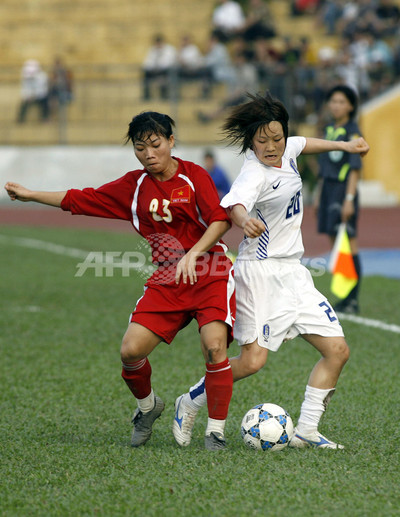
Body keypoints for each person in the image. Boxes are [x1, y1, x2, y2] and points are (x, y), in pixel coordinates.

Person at [4, 111, 236, 451]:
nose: (148, 154)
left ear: (171, 141)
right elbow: (81, 199)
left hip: (209, 271)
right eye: (140, 148)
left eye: (155, 145)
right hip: (168, 277)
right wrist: (31, 194)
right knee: (130, 351)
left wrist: (194, 253)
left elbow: (220, 220)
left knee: (215, 346)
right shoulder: (135, 186)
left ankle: (214, 431)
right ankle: (148, 407)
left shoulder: (194, 176)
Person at [172, 92, 369, 450]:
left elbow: (303, 142)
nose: (271, 146)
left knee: (337, 350)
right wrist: (245, 221)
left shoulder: (287, 148)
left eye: (276, 138)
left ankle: (307, 430)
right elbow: (235, 205)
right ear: (251, 141)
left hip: (294, 272)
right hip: (259, 273)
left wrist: (347, 145)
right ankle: (190, 401)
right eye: (261, 140)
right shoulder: (253, 172)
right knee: (252, 362)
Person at [315, 85, 364, 314]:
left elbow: (354, 168)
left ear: (350, 106)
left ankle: (353, 299)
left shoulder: (352, 131)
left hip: (343, 191)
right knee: (336, 243)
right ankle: (344, 296)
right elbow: (324, 167)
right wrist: (318, 195)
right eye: (333, 101)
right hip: (327, 191)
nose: (336, 105)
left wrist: (349, 199)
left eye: (341, 101)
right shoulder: (328, 130)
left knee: (349, 242)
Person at [142, 35, 177, 100]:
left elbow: (169, 62)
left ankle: (164, 95)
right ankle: (147, 95)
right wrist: (153, 67)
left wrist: (159, 66)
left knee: (167, 73)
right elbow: (147, 63)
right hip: (154, 70)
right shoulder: (152, 50)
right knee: (146, 73)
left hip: (165, 70)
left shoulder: (169, 49)